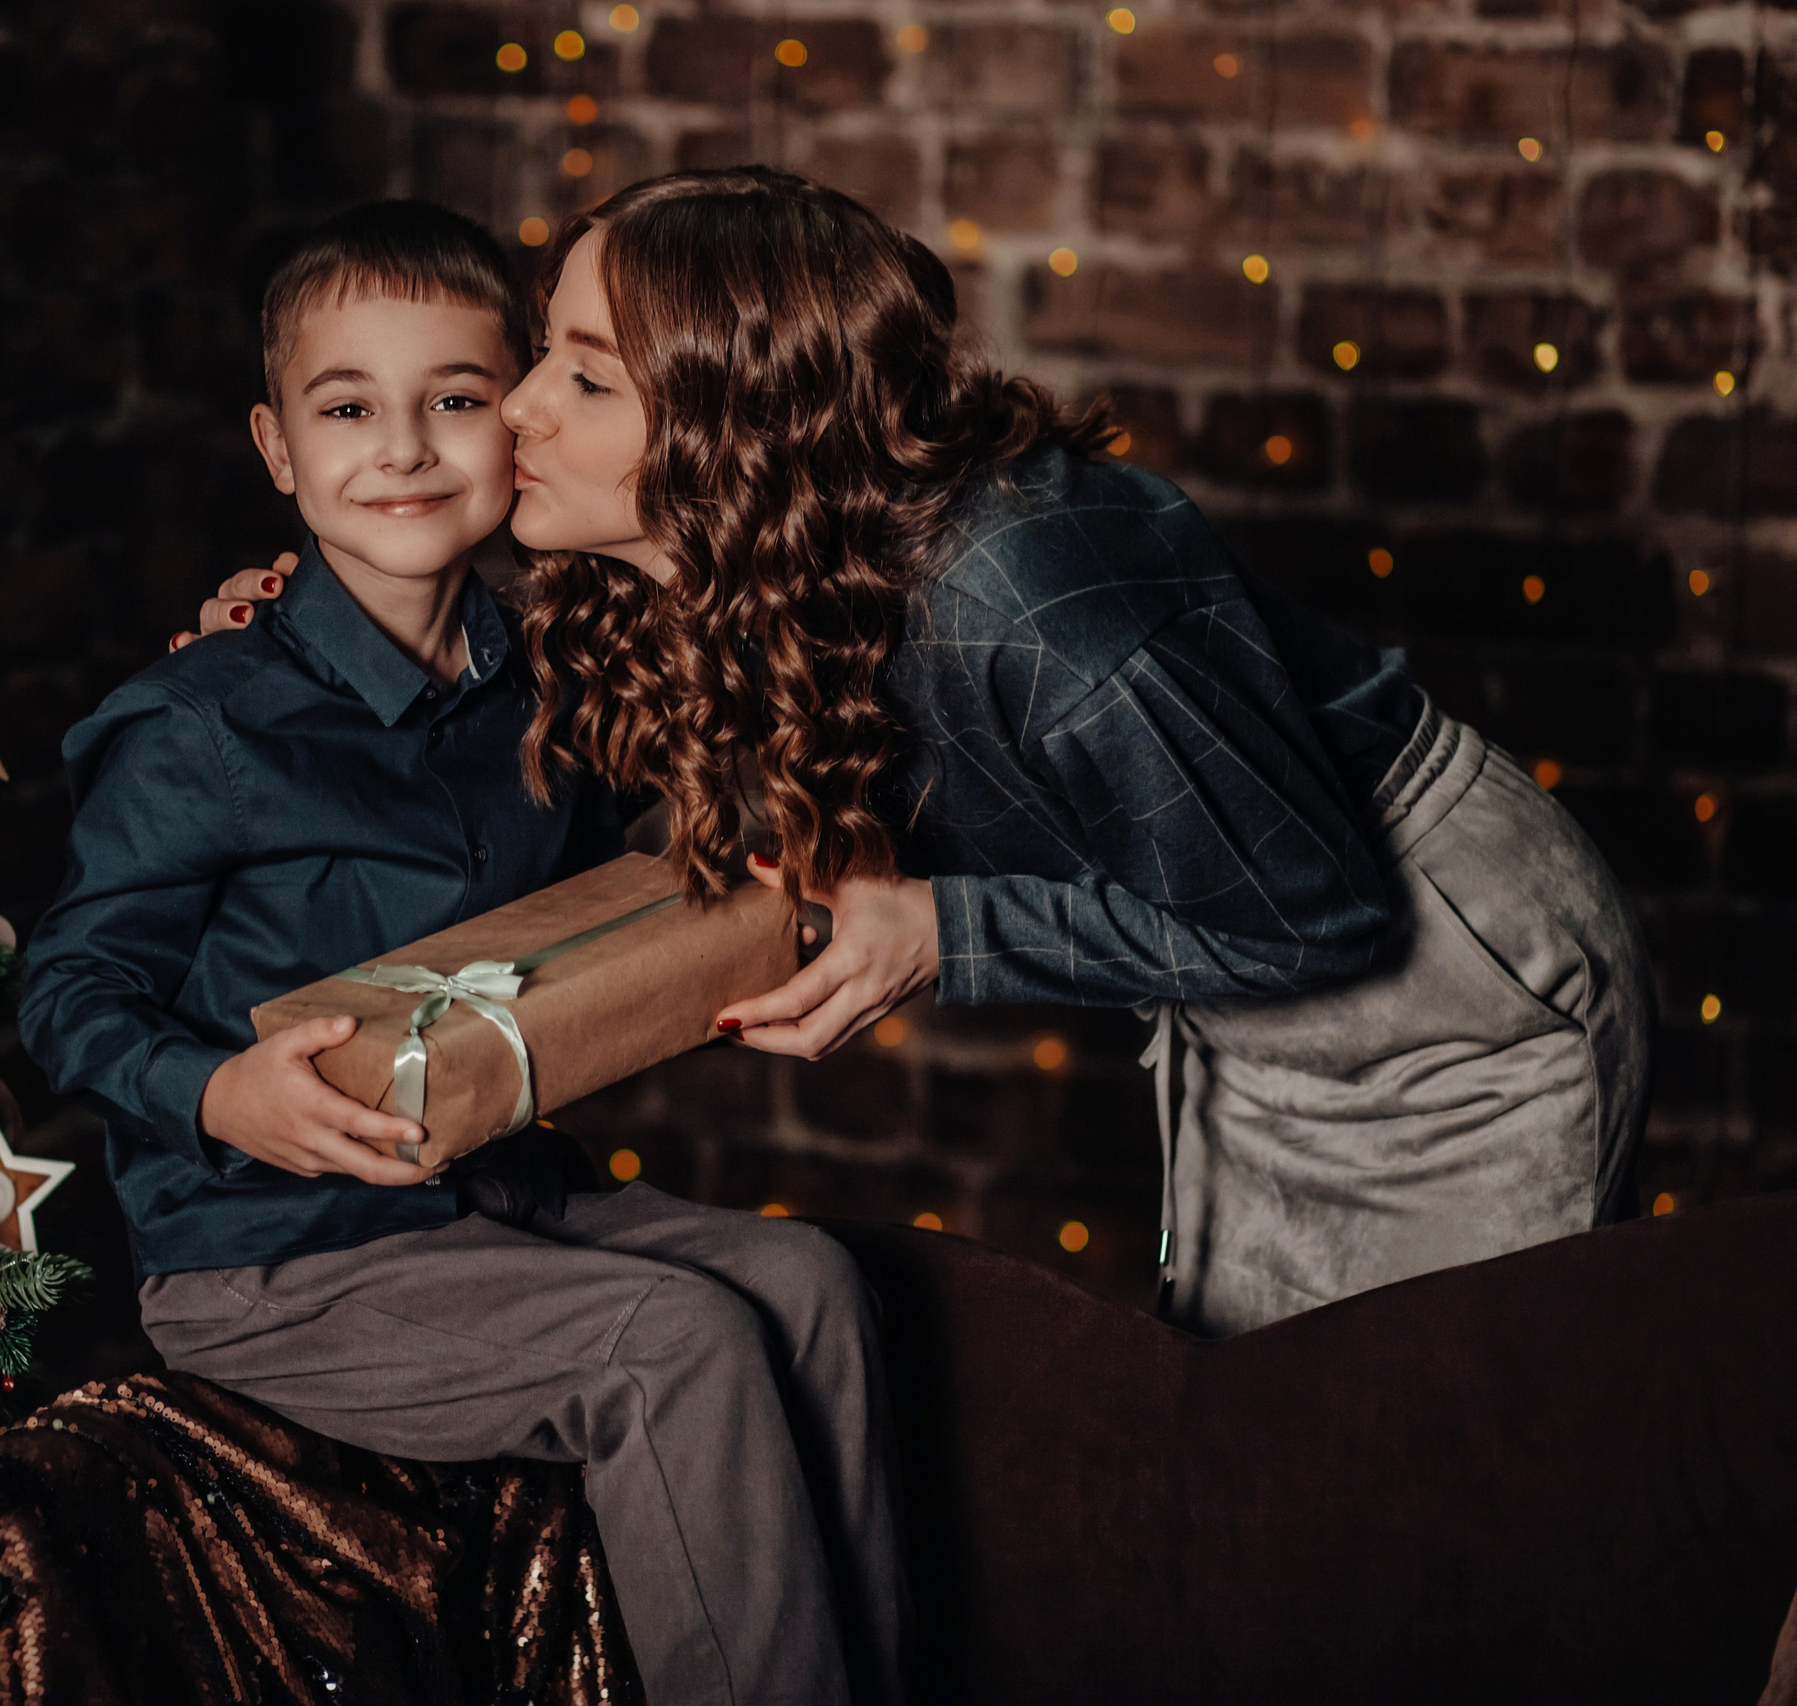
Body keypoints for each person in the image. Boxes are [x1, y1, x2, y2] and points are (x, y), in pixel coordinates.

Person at [193, 168, 1653, 1339]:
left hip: (1437, 981)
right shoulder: (752, 555)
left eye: (584, 378)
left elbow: (1310, 911)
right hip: (1245, 972)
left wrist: (936, 930)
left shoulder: (1033, 606)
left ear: (731, 436)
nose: (515, 405)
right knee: (1260, 1429)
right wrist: (311, 658)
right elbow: (561, 786)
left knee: (1430, 1453)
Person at [21, 200, 908, 1706]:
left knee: (813, 1276)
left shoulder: (550, 673)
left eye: (456, 400)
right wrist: (220, 1091)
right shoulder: (202, 720)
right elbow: (65, 991)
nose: (407, 449)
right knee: (674, 1343)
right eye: (348, 407)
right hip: (272, 1256)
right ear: (276, 449)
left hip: (495, 1199)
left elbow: (644, 872)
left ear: (521, 431)